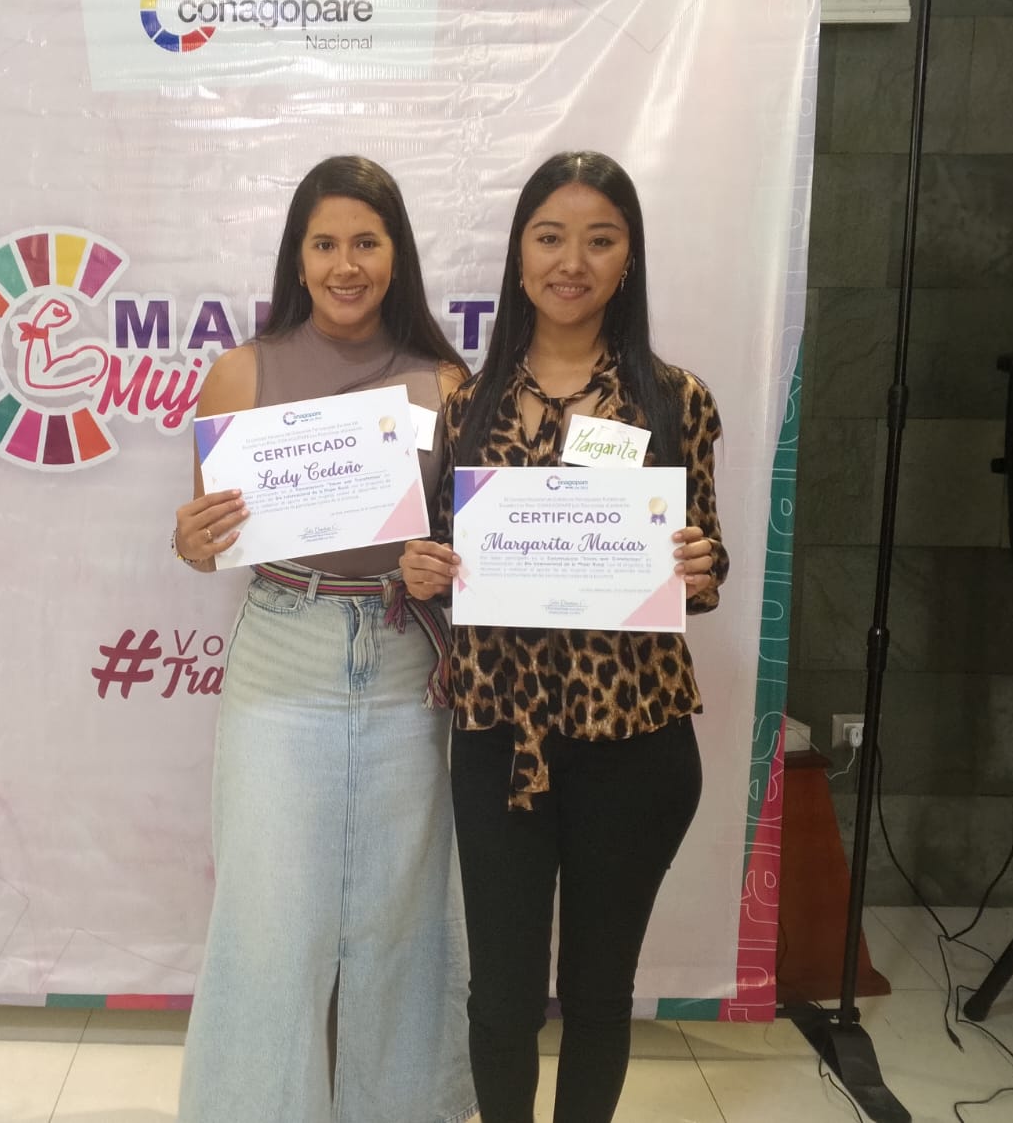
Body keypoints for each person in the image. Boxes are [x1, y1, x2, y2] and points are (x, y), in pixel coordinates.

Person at [400, 150, 728, 1123]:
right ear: (519, 254)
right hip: (499, 740)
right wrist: (425, 571)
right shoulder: (467, 406)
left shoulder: (674, 399)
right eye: (550, 237)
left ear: (628, 258)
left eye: (600, 239)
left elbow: (703, 562)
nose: (572, 261)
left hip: (636, 743)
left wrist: (699, 565)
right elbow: (447, 559)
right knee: (500, 998)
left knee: (597, 994)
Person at [172, 155, 477, 1123]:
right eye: (325, 244)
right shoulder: (241, 371)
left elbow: (472, 547)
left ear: (397, 255)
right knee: (266, 920)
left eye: (366, 243)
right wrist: (190, 540)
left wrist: (441, 564)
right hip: (284, 646)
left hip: (404, 657)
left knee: (405, 917)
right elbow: (208, 539)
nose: (346, 265)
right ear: (297, 258)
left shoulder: (447, 383)